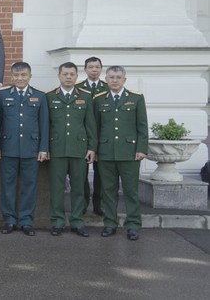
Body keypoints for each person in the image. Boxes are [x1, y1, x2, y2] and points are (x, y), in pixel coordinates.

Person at [94, 65, 148, 241]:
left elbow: (142, 126)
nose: (114, 80)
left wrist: (141, 148)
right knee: (108, 191)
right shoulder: (99, 99)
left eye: (118, 77)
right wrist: (94, 150)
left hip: (129, 153)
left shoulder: (136, 98)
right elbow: (95, 127)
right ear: (106, 79)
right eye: (111, 77)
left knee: (131, 191)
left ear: (124, 79)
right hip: (106, 153)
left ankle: (132, 225)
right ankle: (110, 223)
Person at [0, 62, 48, 236]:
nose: (20, 78)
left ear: (29, 76)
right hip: (8, 147)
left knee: (29, 185)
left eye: (23, 75)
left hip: (31, 149)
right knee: (8, 186)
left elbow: (44, 125)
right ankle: (9, 219)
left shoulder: (40, 96)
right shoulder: (2, 95)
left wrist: (43, 148)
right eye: (16, 75)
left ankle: (26, 220)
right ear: (11, 77)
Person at [46, 62, 97, 238]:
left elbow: (90, 124)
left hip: (79, 149)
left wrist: (92, 147)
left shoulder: (86, 97)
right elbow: (47, 125)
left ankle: (77, 221)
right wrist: (45, 148)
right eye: (65, 74)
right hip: (57, 148)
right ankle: (57, 221)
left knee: (79, 188)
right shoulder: (50, 96)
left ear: (77, 76)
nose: (68, 77)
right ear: (59, 76)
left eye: (72, 74)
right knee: (57, 188)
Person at [77, 56, 107, 216]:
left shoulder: (108, 87)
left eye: (97, 67)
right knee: (81, 173)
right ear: (85, 69)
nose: (94, 69)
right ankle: (82, 203)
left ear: (101, 69)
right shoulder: (78, 88)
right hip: (83, 136)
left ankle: (99, 204)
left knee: (101, 173)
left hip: (103, 138)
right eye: (91, 67)